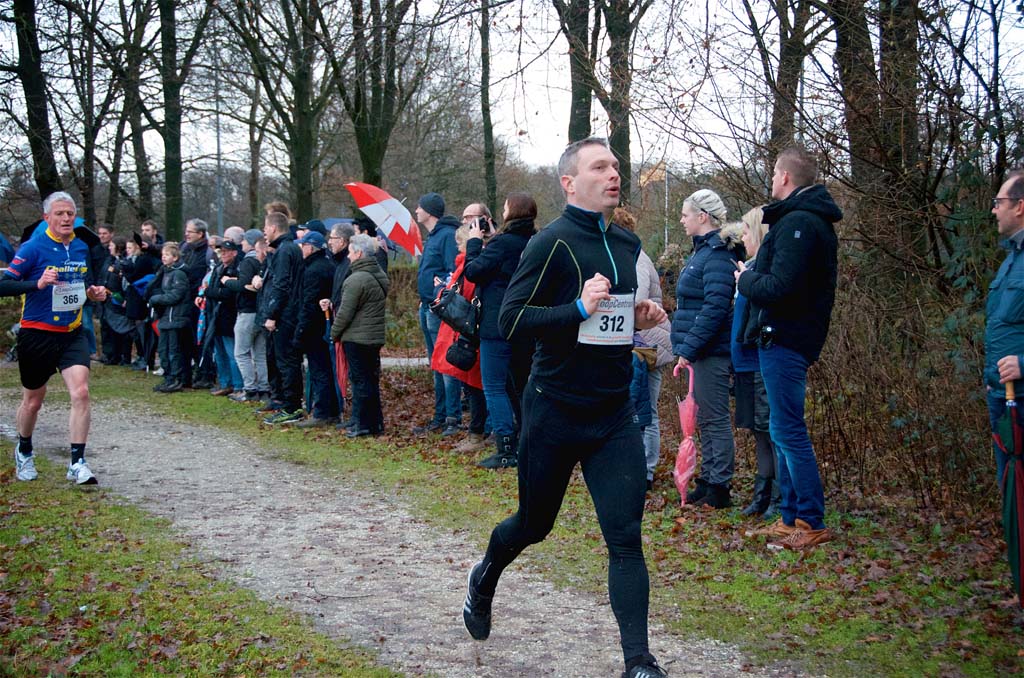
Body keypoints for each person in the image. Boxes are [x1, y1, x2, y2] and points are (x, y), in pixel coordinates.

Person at [462, 137, 669, 678]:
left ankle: (639, 662)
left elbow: (610, 322)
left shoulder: (626, 243)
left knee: (625, 537)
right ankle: (484, 576)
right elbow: (511, 320)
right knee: (534, 525)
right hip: (554, 410)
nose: (613, 174)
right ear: (570, 183)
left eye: (616, 166)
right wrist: (578, 306)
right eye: (600, 167)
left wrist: (637, 318)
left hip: (611, 415)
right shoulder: (549, 243)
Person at [736, 144, 841, 551]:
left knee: (789, 429)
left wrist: (745, 280)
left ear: (784, 176)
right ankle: (789, 518)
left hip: (787, 338)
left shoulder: (800, 222)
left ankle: (811, 521)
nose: (771, 179)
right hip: (781, 337)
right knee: (782, 429)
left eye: (773, 173)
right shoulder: (800, 219)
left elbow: (782, 287)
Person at [3, 192, 109, 484]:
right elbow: (4, 284)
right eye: (60, 213)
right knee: (33, 401)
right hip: (37, 334)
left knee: (81, 392)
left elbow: (83, 285)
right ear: (47, 217)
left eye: (70, 213)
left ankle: (77, 462)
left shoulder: (81, 247)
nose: (66, 218)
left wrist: (93, 293)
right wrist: (36, 284)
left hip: (71, 333)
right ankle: (24, 450)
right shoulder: (33, 248)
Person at [671, 189, 743, 509]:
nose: (682, 220)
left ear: (702, 217)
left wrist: (689, 348)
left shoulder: (716, 256)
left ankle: (719, 485)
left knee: (715, 418)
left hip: (712, 351)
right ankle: (709, 478)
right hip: (701, 350)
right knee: (705, 419)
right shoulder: (702, 253)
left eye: (685, 214)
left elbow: (715, 308)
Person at [463, 193, 537, 468]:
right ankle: (526, 441)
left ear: (511, 213)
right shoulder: (534, 242)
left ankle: (505, 446)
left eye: (505, 209)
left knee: (494, 386)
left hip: (496, 324)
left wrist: (474, 242)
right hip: (525, 323)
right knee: (520, 386)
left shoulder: (502, 244)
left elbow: (473, 272)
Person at [613, 207, 674, 491]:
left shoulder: (635, 260)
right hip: (645, 342)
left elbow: (632, 303)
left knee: (645, 409)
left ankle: (645, 471)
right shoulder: (633, 257)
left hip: (647, 344)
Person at [731, 208, 779, 519]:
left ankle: (778, 496)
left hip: (760, 361)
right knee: (757, 430)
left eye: (746, 232)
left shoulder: (764, 274)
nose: (742, 238)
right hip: (744, 364)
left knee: (770, 429)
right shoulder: (747, 270)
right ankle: (761, 496)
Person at [431, 223, 488, 453]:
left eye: (458, 241)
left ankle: (478, 433)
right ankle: (479, 431)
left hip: (465, 333)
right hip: (469, 332)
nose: (456, 246)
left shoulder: (468, 265)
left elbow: (462, 293)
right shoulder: (469, 264)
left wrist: (442, 291)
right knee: (474, 385)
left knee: (474, 385)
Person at [330, 233, 389, 437]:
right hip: (373, 336)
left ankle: (363, 424)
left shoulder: (356, 279)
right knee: (370, 380)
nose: (348, 256)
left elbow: (345, 312)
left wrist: (334, 333)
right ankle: (374, 423)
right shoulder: (378, 274)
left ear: (359, 253)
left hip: (357, 338)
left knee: (360, 381)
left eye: (351, 252)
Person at [986, 169, 1024, 486]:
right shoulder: (1011, 260)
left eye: (999, 202)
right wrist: (991, 379)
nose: (994, 209)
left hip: (1022, 395)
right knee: (1012, 491)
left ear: (1020, 206)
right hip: (1002, 396)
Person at [414, 192, 461, 434]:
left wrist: (438, 289)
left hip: (439, 309)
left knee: (445, 364)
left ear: (430, 211)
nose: (416, 211)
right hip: (427, 306)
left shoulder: (446, 236)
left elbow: (453, 271)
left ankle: (453, 417)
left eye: (419, 207)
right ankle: (440, 416)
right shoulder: (433, 237)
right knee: (435, 364)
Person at [292, 230, 341, 427]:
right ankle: (329, 409)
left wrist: (300, 331)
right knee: (325, 369)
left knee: (320, 370)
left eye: (303, 245)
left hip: (316, 328)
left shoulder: (313, 270)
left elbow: (309, 304)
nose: (301, 248)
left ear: (310, 248)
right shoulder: (329, 265)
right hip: (323, 325)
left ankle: (323, 412)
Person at [261, 211, 306, 424]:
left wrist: (272, 314)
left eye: (265, 228)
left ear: (273, 228)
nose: (264, 232)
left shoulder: (285, 251)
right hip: (291, 312)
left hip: (286, 315)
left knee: (287, 361)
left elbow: (281, 285)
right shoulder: (290, 248)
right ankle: (288, 404)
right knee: (287, 361)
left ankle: (291, 407)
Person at [225, 229, 270, 402]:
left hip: (247, 313)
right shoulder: (265, 263)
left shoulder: (247, 262)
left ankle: (250, 389)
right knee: (260, 353)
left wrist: (228, 282)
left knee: (241, 353)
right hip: (261, 312)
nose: (241, 243)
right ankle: (264, 389)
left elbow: (243, 285)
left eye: (244, 241)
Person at [146, 242, 192, 393]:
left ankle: (177, 379)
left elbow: (176, 295)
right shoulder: (165, 272)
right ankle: (168, 378)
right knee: (163, 350)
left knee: (174, 351)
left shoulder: (179, 274)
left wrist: (157, 299)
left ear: (175, 257)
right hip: (166, 317)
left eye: (167, 255)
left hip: (176, 317)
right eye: (163, 255)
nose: (163, 257)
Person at [203, 240, 244, 396]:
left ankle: (237, 385)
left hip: (229, 315)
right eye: (221, 251)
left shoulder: (237, 269)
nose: (223, 254)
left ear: (234, 252)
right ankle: (225, 383)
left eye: (226, 251)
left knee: (231, 352)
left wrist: (209, 292)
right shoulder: (219, 268)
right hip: (216, 315)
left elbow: (229, 294)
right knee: (219, 352)